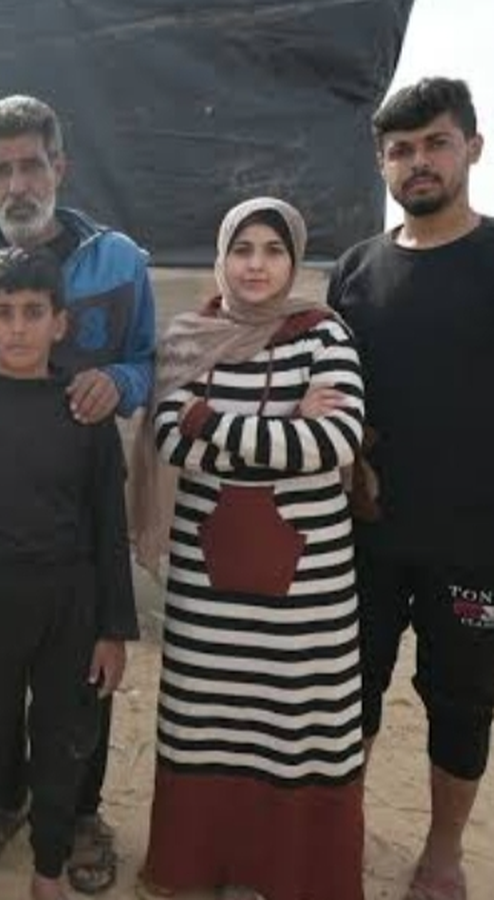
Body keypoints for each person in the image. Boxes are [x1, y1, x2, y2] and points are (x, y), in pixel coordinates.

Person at [0, 93, 156, 894]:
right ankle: (1, 805)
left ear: (61, 165)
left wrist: (116, 381)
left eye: (32, 165)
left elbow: (145, 359)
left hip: (77, 495)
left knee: (75, 705)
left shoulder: (119, 261)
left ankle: (78, 817)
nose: (18, 184)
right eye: (2, 170)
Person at [131, 197, 367, 900]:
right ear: (222, 257)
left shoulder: (323, 335)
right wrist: (283, 424)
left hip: (306, 602)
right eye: (242, 249)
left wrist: (210, 419)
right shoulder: (191, 338)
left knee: (298, 734)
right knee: (206, 727)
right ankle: (205, 867)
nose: (256, 265)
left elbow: (334, 441)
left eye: (272, 250)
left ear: (293, 261)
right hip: (208, 594)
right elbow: (170, 439)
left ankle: (289, 875)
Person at [327, 76, 494, 900]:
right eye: (401, 149)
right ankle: (336, 835)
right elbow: (333, 390)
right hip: (368, 533)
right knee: (346, 692)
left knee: (461, 704)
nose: (418, 161)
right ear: (381, 163)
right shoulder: (356, 269)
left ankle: (443, 852)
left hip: (475, 540)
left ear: (473, 147)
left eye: (436, 143)